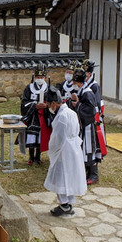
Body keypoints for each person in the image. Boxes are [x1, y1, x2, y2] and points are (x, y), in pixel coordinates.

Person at [44, 86, 87, 216]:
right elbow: (78, 129)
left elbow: (58, 137)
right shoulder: (71, 112)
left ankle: (64, 204)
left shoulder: (62, 116)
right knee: (70, 174)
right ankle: (68, 202)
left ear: (54, 103)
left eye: (48, 104)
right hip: (73, 147)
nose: (48, 107)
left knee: (61, 175)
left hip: (64, 149)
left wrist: (53, 150)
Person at [69, 68, 105, 185]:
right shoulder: (82, 90)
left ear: (79, 82)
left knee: (89, 150)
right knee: (84, 150)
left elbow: (90, 110)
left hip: (89, 126)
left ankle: (94, 175)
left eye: (75, 82)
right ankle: (86, 173)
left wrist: (78, 104)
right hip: (84, 125)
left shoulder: (87, 92)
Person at [21, 63, 51, 165]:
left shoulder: (49, 88)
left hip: (43, 116)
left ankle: (38, 157)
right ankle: (31, 157)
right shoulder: (29, 88)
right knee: (31, 135)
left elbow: (53, 102)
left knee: (40, 136)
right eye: (38, 77)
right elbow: (24, 103)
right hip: (32, 116)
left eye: (41, 77)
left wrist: (46, 106)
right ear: (34, 77)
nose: (39, 79)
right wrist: (35, 105)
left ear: (45, 77)